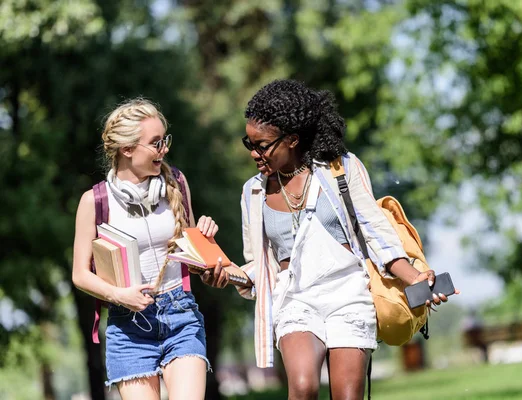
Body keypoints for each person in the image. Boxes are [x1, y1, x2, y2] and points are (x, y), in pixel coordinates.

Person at [202, 79, 459, 399]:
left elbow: (376, 233)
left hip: (349, 294)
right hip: (295, 299)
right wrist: (225, 274)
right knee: (302, 387)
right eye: (249, 143)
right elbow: (260, 267)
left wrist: (416, 278)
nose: (254, 153)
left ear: (293, 139)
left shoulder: (340, 169)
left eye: (262, 145)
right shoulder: (252, 193)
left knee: (347, 395)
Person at [72, 98, 217, 400]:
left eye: (165, 140)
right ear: (127, 149)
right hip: (129, 328)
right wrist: (118, 296)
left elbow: (195, 258)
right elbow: (80, 275)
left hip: (181, 314)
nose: (164, 149)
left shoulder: (176, 182)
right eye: (155, 143)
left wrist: (207, 239)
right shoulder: (94, 202)